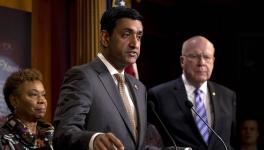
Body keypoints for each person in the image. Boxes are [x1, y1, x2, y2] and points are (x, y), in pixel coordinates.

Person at [53, 7, 173, 150]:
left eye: (139, 36)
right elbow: (63, 133)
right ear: (105, 38)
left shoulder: (139, 87)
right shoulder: (83, 77)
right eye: (126, 34)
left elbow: (136, 146)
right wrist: (93, 139)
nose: (135, 43)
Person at [148, 35, 237, 150]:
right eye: (194, 56)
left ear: (213, 61)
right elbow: (150, 142)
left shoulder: (227, 95)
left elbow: (232, 141)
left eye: (207, 57)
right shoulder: (159, 95)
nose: (201, 63)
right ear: (182, 61)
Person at [0, 68, 54, 150]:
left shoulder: (51, 133)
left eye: (43, 95)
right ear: (14, 101)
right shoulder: (3, 138)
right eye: (34, 94)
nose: (42, 100)